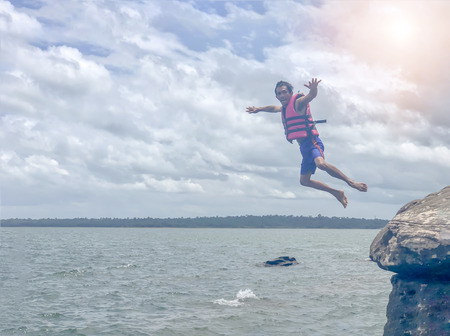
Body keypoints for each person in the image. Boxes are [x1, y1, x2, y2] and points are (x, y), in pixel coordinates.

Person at [246, 78, 367, 208]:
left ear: (290, 93)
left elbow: (310, 96)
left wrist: (313, 89)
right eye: (279, 93)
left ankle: (351, 182)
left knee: (321, 164)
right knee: (304, 181)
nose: (281, 95)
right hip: (303, 147)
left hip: (312, 142)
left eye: (284, 92)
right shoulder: (284, 108)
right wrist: (258, 109)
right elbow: (272, 108)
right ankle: (337, 193)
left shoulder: (298, 103)